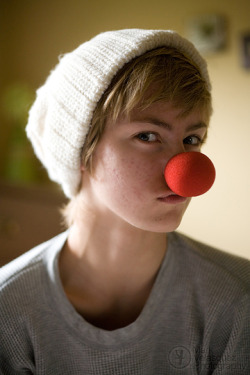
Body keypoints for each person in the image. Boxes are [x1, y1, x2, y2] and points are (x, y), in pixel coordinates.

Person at [0, 29, 249, 374]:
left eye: (192, 138)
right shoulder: (7, 311)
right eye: (148, 136)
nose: (185, 169)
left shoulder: (239, 301)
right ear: (80, 151)